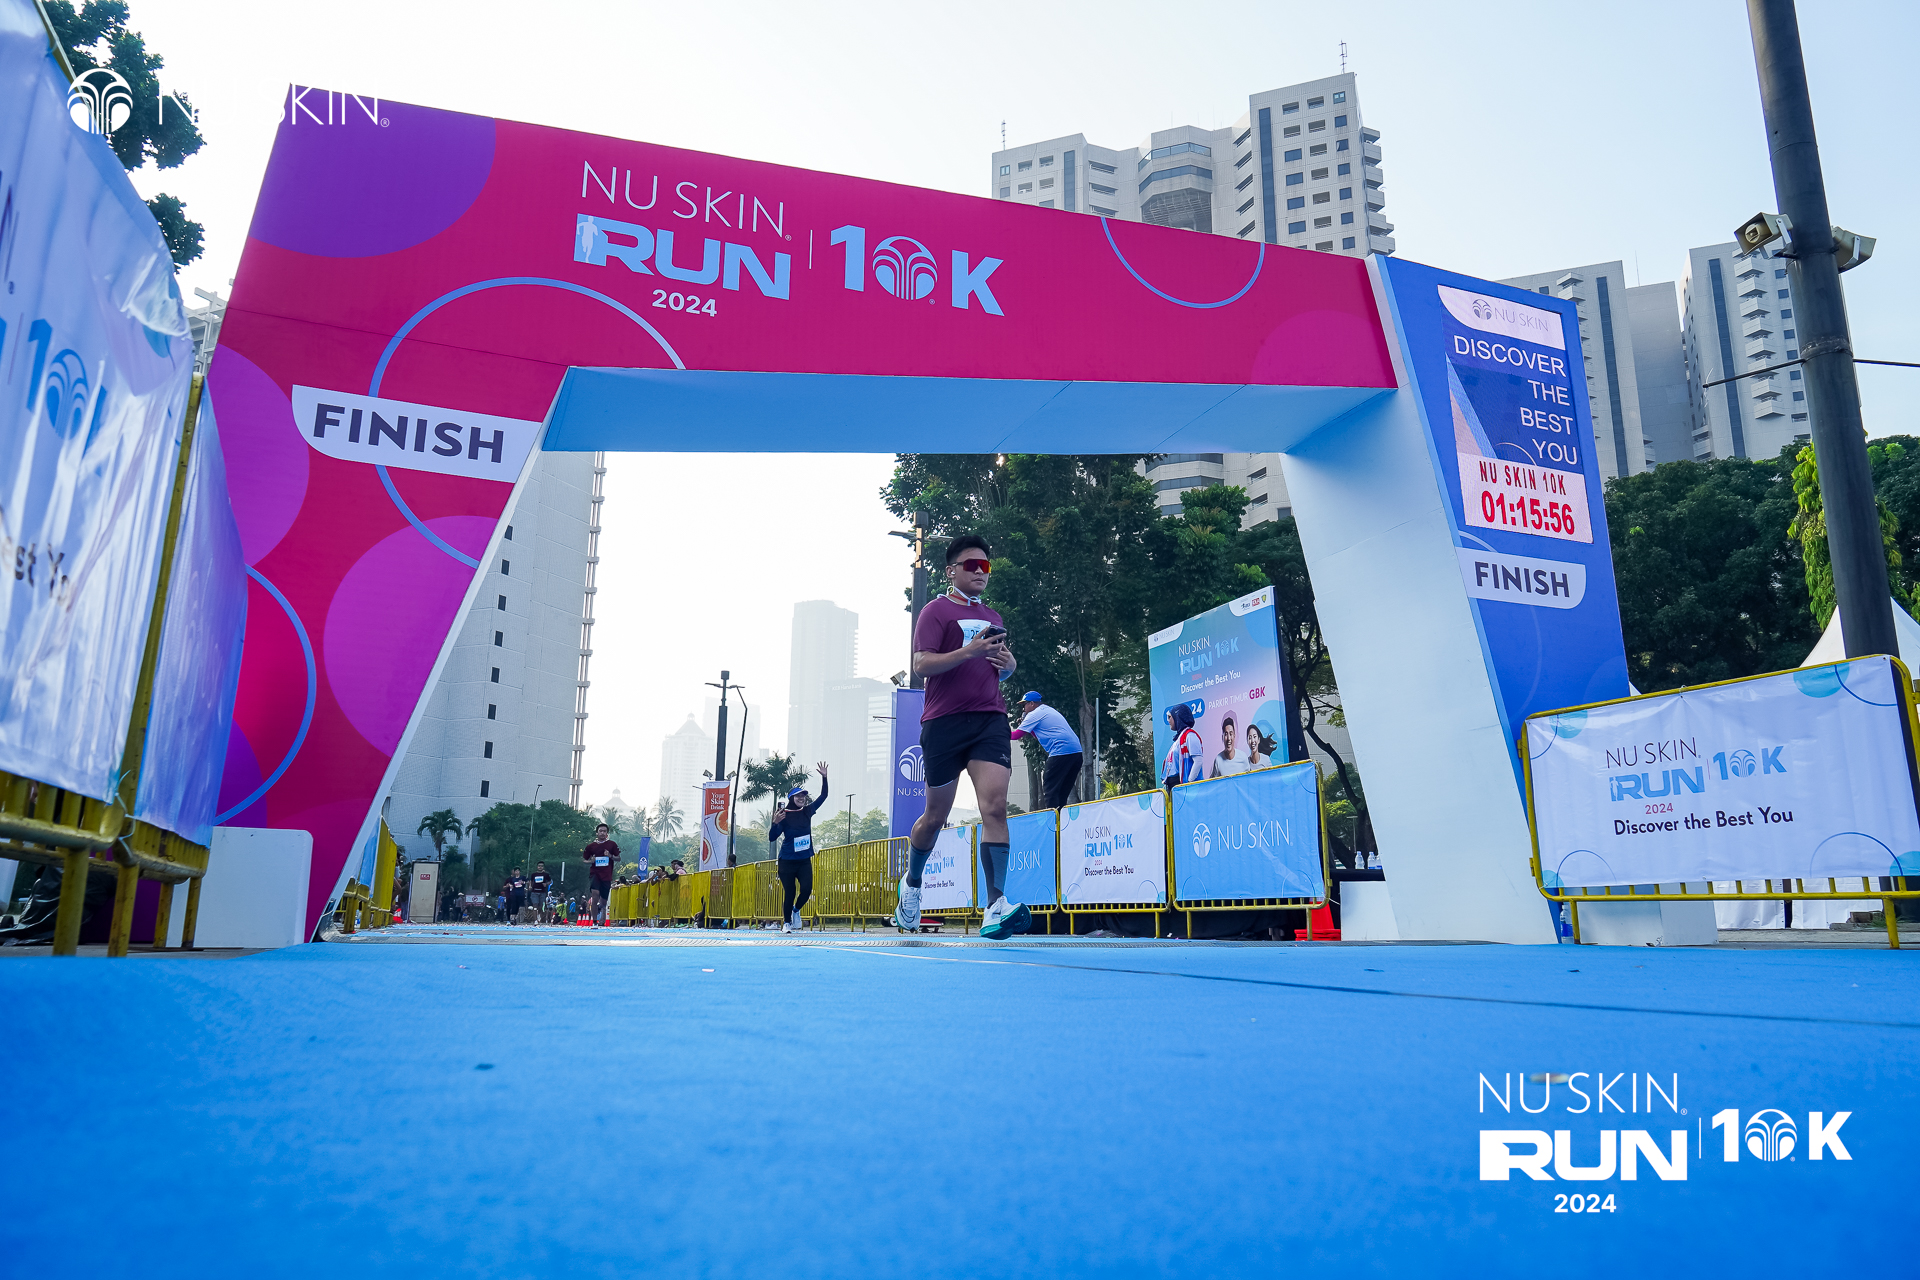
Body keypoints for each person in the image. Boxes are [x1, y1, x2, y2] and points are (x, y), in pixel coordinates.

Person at [894, 535, 1029, 941]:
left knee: (995, 807)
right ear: (951, 571)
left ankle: (995, 906)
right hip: (944, 723)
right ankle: (912, 885)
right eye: (972, 565)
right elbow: (922, 665)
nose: (980, 572)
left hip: (990, 719)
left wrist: (1009, 665)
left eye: (986, 566)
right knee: (935, 817)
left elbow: (997, 669)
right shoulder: (934, 611)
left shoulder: (992, 615)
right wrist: (969, 651)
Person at [768, 761, 830, 933]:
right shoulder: (783, 815)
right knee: (790, 892)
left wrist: (824, 778)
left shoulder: (807, 811)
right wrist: (775, 823)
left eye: (803, 796)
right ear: (791, 799)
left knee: (806, 890)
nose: (801, 798)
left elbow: (823, 796)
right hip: (787, 861)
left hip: (804, 860)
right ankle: (786, 923)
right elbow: (772, 837)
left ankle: (796, 910)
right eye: (798, 796)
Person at [1012, 690, 1084, 809]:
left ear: (1032, 704)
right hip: (1076, 753)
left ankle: (1052, 819)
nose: (1023, 709)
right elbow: (1038, 736)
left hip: (1061, 752)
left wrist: (996, 732)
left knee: (1050, 789)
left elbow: (1015, 736)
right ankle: (1060, 817)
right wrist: (1029, 728)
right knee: (1062, 791)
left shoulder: (1034, 714)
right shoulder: (1048, 710)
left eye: (1024, 704)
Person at [581, 822, 620, 925]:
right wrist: (591, 861)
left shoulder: (612, 844)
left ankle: (599, 908)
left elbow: (618, 858)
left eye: (604, 831)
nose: (602, 833)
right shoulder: (591, 846)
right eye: (600, 831)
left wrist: (610, 856)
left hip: (606, 875)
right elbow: (583, 860)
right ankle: (594, 921)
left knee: (603, 902)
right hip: (595, 874)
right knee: (595, 895)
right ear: (597, 833)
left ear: (607, 833)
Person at [1162, 703, 1204, 786]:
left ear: (1177, 717)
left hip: (1184, 787)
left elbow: (1198, 761)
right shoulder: (1179, 739)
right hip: (1174, 786)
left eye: (1169, 717)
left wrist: (1189, 783)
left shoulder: (1190, 736)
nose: (1168, 720)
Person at [1209, 714, 1250, 778]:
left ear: (1234, 736)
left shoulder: (1243, 757)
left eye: (1231, 734)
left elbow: (1249, 780)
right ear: (1222, 737)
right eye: (1226, 734)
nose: (1229, 738)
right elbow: (1214, 782)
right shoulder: (1218, 760)